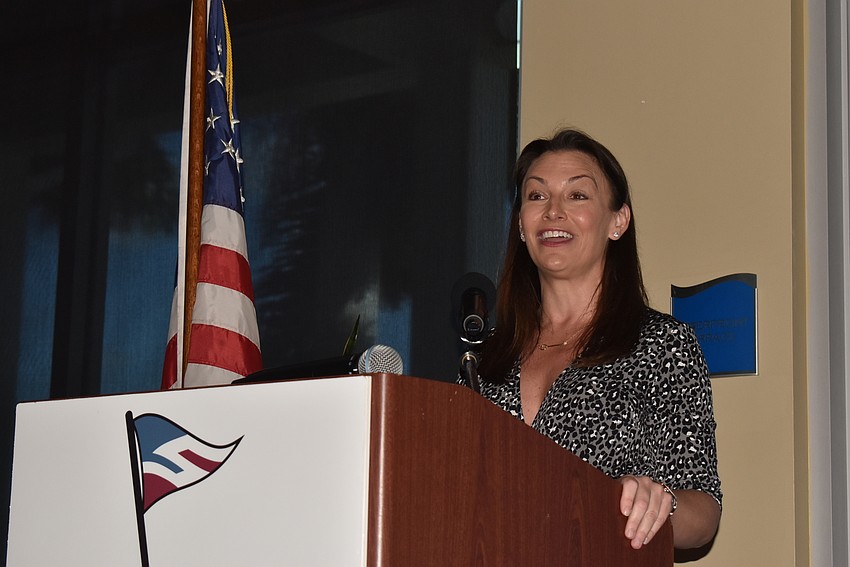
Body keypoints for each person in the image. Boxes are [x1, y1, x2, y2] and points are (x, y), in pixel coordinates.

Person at [471, 128, 721, 550]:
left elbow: (704, 514)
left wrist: (661, 504)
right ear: (520, 223)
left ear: (617, 221)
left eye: (577, 196)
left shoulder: (662, 344)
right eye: (536, 196)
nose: (553, 212)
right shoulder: (482, 361)